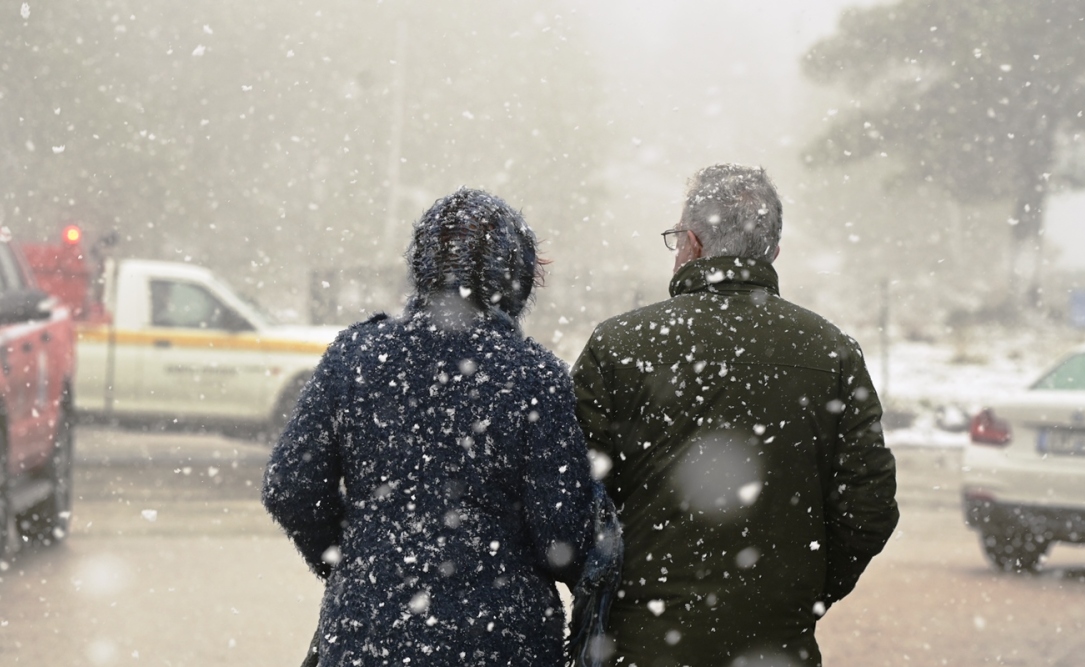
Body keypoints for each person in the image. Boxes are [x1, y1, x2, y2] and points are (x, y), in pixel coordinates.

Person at [570, 164, 899, 667]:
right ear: (772, 252)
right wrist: (800, 593)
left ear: (694, 244)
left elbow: (570, 496)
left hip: (640, 644)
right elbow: (869, 504)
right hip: (776, 646)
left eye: (677, 237)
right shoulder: (831, 353)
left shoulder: (618, 346)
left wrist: (615, 589)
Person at [263, 188, 604, 666]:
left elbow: (290, 487)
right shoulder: (534, 375)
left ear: (422, 266)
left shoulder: (356, 357)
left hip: (368, 634)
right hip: (502, 641)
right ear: (516, 277)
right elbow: (562, 537)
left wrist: (357, 560)